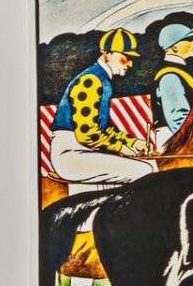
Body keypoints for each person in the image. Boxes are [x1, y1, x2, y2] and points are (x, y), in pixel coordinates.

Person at [48, 28, 154, 189]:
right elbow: (87, 134)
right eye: (125, 57)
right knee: (144, 170)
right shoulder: (90, 80)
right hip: (71, 154)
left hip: (82, 150)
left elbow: (105, 128)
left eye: (132, 58)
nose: (130, 63)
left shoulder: (103, 80)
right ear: (106, 54)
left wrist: (133, 142)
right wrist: (122, 148)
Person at [150, 21, 193, 146]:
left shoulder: (178, 71)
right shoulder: (170, 75)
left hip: (181, 136)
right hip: (176, 139)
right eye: (188, 40)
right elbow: (178, 118)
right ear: (174, 47)